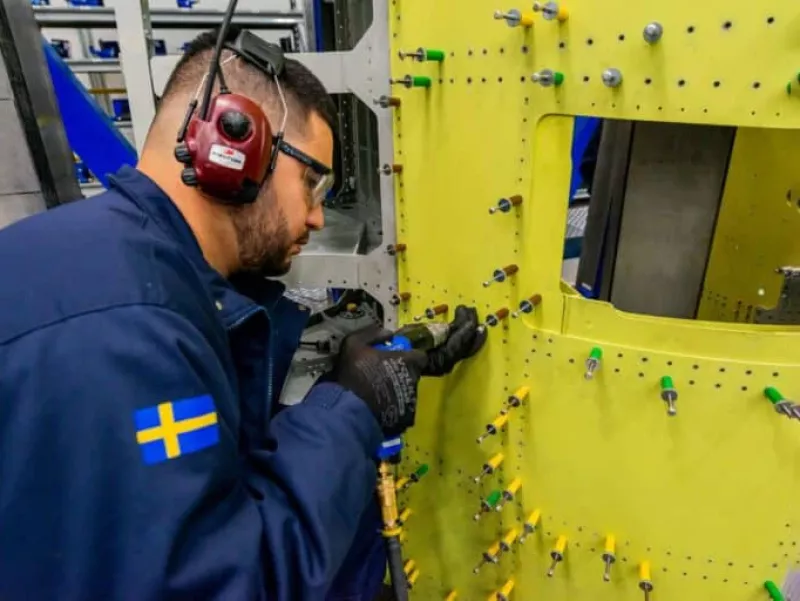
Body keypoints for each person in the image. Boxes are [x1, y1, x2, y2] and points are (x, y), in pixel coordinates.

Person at [0, 27, 486, 600]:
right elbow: (219, 584)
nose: (314, 217)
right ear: (236, 141)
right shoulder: (131, 328)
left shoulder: (92, 263)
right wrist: (350, 408)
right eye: (311, 182)